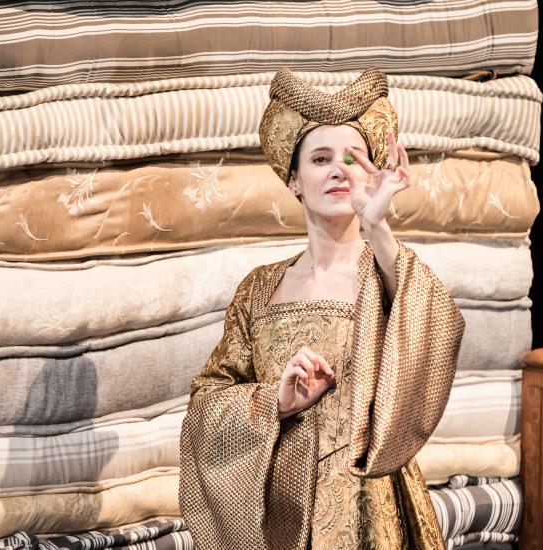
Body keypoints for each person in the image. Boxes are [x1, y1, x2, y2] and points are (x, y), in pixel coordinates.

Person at [179, 67, 465, 550]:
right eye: (320, 158)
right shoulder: (259, 289)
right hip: (283, 511)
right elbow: (207, 402)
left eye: (352, 158)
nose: (339, 170)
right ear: (293, 179)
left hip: (371, 510)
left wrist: (378, 226)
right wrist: (275, 401)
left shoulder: (387, 273)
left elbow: (435, 333)